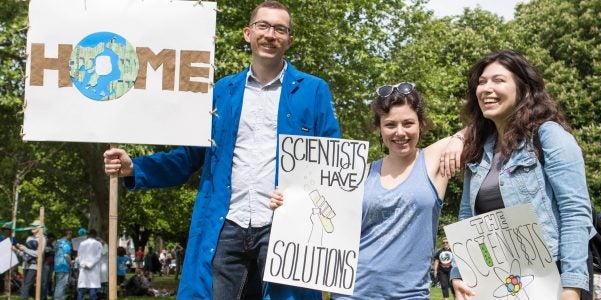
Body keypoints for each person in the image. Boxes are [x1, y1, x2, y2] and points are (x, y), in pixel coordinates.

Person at [103, 1, 340, 299]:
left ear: (289, 40)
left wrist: (299, 198)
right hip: (227, 224)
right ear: (247, 33)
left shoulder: (314, 91)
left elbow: (330, 163)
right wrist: (135, 168)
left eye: (280, 29)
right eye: (263, 26)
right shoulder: (220, 92)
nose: (271, 34)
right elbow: (190, 155)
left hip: (284, 228)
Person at [271, 82, 461, 298]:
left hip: (410, 295)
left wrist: (458, 138)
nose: (400, 132)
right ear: (379, 129)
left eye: (408, 123)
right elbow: (322, 219)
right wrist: (285, 202)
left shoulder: (433, 161)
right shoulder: (360, 173)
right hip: (352, 292)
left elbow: (486, 122)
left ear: (420, 125)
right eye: (390, 125)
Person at [450, 49, 594, 300]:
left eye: (498, 80)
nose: (486, 88)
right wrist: (458, 272)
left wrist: (571, 287)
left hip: (551, 277)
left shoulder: (549, 135)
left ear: (523, 89)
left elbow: (575, 212)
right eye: (482, 82)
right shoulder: (478, 149)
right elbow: (467, 219)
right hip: (500, 281)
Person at [13, 220, 47, 300]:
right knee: (27, 285)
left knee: (26, 286)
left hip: (34, 265)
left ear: (39, 228)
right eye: (31, 225)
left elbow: (38, 254)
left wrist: (25, 249)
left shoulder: (42, 238)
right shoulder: (29, 238)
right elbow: (25, 254)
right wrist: (16, 250)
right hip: (25, 265)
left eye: (34, 226)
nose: (32, 227)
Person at [76, 229, 102, 300]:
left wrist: (83, 264)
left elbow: (79, 256)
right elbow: (98, 256)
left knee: (81, 289)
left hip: (84, 268)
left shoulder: (82, 243)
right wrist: (90, 265)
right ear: (95, 235)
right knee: (93, 289)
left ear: (89, 235)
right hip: (93, 268)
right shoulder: (98, 244)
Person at [54, 230, 73, 300]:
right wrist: (71, 263)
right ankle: (58, 298)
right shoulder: (66, 243)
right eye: (71, 235)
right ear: (69, 234)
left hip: (57, 265)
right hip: (64, 265)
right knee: (62, 284)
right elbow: (66, 255)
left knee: (58, 283)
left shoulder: (58, 242)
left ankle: (57, 297)